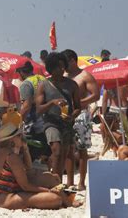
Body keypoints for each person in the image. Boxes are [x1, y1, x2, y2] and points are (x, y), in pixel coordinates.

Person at [0, 123, 79, 209]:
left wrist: (25, 149)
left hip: (2, 193)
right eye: (19, 136)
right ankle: (67, 201)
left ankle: (67, 201)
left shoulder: (1, 152)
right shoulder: (12, 157)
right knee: (55, 199)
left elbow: (29, 169)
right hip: (4, 197)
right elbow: (25, 186)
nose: (22, 137)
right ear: (12, 140)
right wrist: (48, 191)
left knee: (52, 179)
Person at [35, 52, 81, 183]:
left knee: (63, 155)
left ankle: (58, 181)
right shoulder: (43, 85)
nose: (61, 69)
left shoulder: (72, 85)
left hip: (67, 124)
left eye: (62, 66)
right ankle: (55, 184)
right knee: (56, 150)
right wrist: (52, 103)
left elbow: (78, 106)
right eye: (57, 67)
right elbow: (38, 109)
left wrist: (72, 116)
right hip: (51, 123)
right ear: (51, 68)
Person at [62, 49, 99, 190]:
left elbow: (95, 95)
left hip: (82, 114)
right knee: (68, 148)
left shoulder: (85, 76)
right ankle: (70, 181)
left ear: (72, 60)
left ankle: (81, 182)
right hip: (67, 114)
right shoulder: (64, 75)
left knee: (82, 149)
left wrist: (79, 102)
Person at [16, 61, 48, 160]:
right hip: (46, 121)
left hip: (34, 124)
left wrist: (18, 120)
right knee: (45, 153)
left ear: (22, 72)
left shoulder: (26, 84)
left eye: (18, 72)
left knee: (31, 153)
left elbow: (26, 106)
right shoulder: (43, 79)